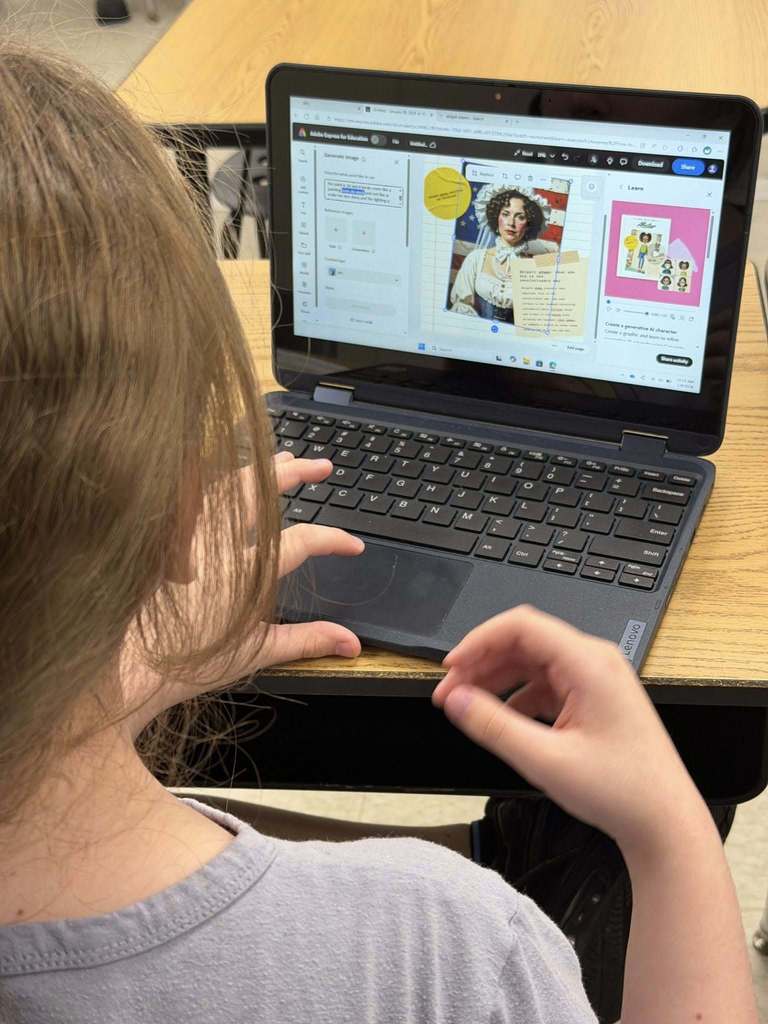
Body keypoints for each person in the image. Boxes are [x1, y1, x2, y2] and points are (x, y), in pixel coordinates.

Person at [0, 43, 758, 1024]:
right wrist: (672, 830)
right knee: (668, 782)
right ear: (189, 506)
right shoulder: (451, 950)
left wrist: (107, 683)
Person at [449, 184, 558, 323]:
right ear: (496, 217)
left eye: (520, 217)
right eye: (506, 214)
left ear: (529, 224)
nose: (511, 223)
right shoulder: (476, 258)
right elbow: (461, 308)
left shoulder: (534, 269)